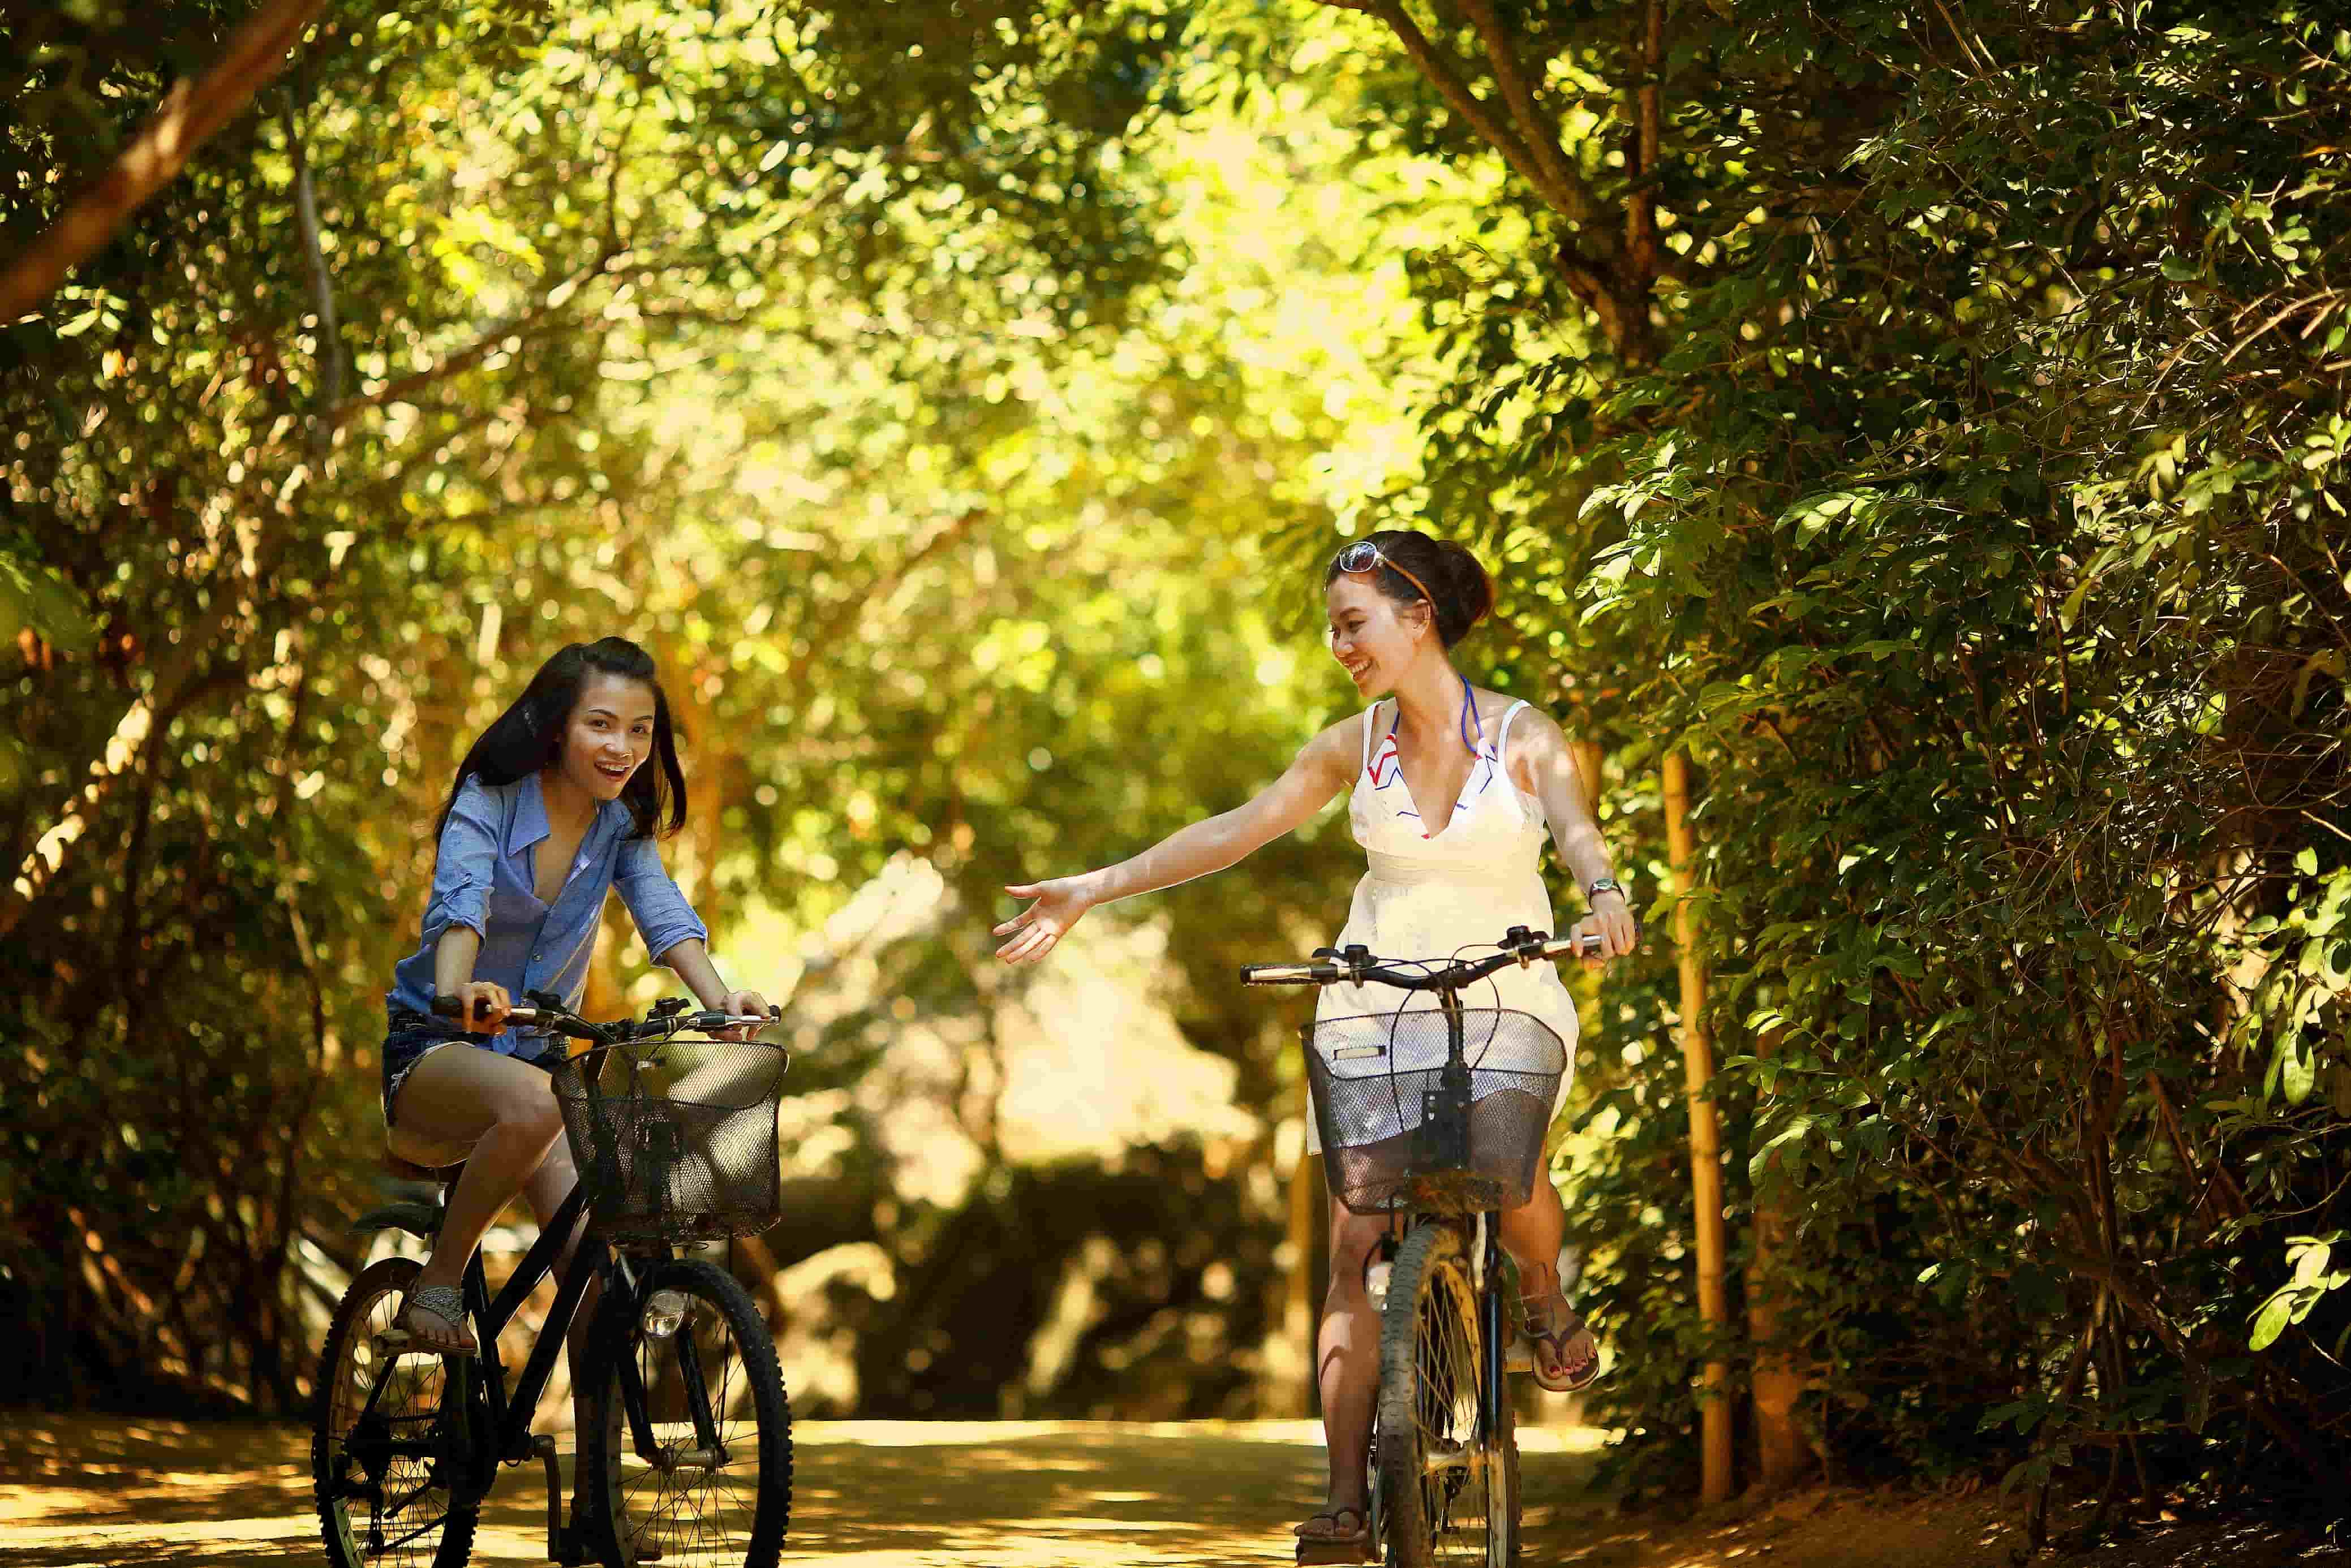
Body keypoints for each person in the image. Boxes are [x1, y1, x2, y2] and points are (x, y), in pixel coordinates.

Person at [994, 529, 1637, 1563]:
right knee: (1350, 1240)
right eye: (1333, 628)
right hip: (1372, 990)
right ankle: (1346, 1500)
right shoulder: (1354, 744)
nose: (1340, 644)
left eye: (1354, 623)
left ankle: (1544, 1292)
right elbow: (1238, 829)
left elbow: (1575, 829)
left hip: (1501, 982)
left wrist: (1604, 895)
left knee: (1510, 1175)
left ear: (1418, 614)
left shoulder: (1526, 736)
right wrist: (1095, 887)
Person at [379, 636, 769, 1370]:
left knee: (597, 1297)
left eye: (639, 730)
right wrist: (461, 992)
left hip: (541, 1066)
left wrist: (723, 1001)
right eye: (601, 724)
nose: (622, 747)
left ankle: (599, 1485)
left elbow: (661, 909)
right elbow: (461, 906)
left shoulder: (617, 826)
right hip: (435, 1050)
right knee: (537, 1103)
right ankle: (437, 1285)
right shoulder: (489, 801)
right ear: (557, 725)